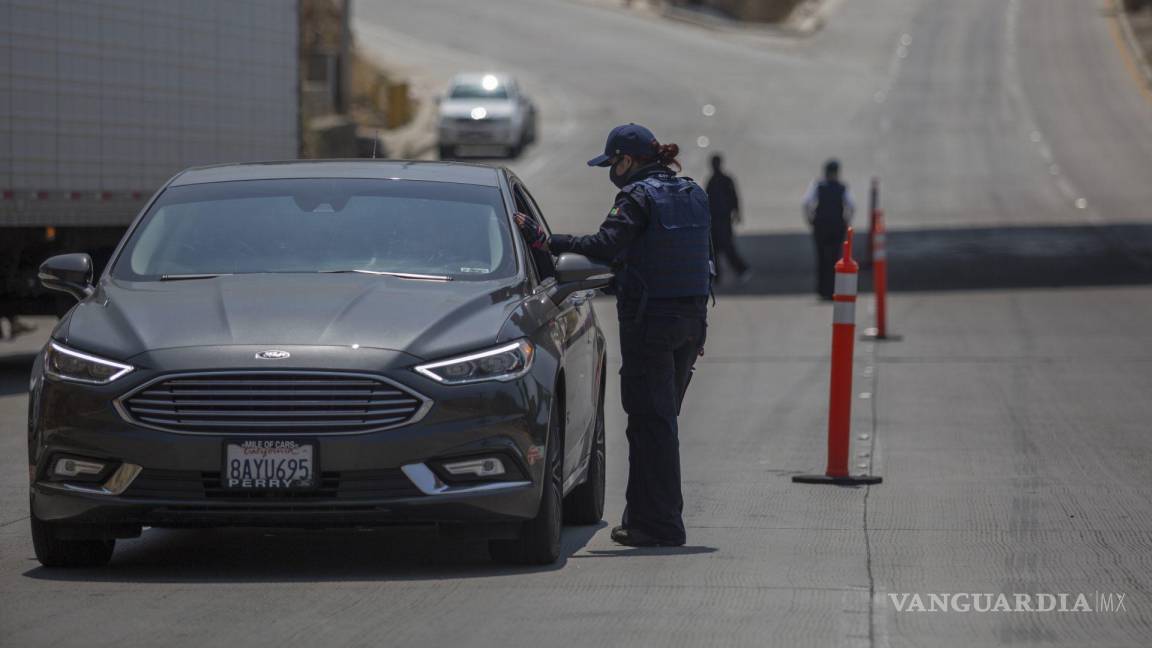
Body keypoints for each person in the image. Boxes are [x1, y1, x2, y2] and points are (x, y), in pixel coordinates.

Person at [514, 123, 711, 547]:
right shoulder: (692, 194)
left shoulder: (637, 197)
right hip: (691, 325)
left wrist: (547, 242)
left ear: (629, 160)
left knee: (649, 424)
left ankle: (658, 526)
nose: (612, 172)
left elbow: (605, 244)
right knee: (661, 424)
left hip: (651, 326)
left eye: (613, 163)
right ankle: (649, 519)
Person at [803, 159, 856, 300]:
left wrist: (809, 219)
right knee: (834, 258)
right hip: (837, 226)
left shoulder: (817, 185)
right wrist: (847, 221)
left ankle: (821, 290)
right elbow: (851, 205)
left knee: (821, 258)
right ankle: (833, 289)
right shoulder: (842, 187)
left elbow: (806, 202)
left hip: (820, 225)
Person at [705, 153, 751, 284]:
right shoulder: (711, 181)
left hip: (724, 221)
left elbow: (735, 197)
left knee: (727, 247)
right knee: (714, 249)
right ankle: (716, 276)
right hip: (714, 221)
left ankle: (742, 270)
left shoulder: (725, 180)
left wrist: (737, 213)